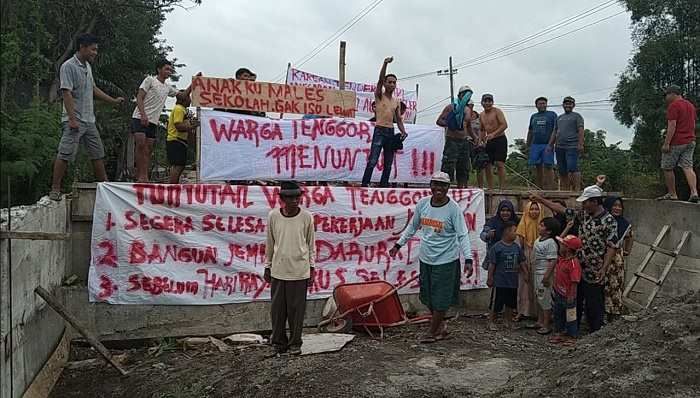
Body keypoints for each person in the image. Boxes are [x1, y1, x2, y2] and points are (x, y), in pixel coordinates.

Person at [389, 172, 473, 343]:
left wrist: (469, 259)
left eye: (443, 185)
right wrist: (399, 244)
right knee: (427, 296)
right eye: (435, 184)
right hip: (426, 259)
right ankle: (440, 327)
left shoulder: (454, 209)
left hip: (446, 260)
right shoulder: (423, 205)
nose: (439, 189)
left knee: (441, 298)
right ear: (430, 185)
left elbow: (463, 235)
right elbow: (412, 227)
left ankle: (432, 332)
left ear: (448, 188)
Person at [530, 183, 617, 333]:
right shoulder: (583, 215)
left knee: (593, 302)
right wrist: (541, 199)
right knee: (573, 301)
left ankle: (595, 331)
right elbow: (563, 210)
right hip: (576, 266)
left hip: (594, 269)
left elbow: (611, 246)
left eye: (586, 202)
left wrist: (604, 268)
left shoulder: (609, 221)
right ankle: (572, 330)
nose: (583, 205)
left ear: (595, 202)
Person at [50, 33, 125, 201]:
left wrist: (112, 101)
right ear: (82, 47)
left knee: (97, 153)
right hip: (74, 119)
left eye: (96, 50)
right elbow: (66, 93)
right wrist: (71, 118)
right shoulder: (68, 66)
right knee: (65, 153)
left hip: (89, 119)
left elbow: (93, 89)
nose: (95, 53)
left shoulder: (87, 67)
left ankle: (105, 187)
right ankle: (55, 188)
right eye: (93, 49)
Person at [264, 181, 316, 356]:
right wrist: (267, 266)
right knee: (278, 311)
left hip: (299, 271)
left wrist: (312, 268)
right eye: (290, 197)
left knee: (297, 311)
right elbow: (270, 244)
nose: (295, 200)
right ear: (282, 199)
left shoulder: (307, 217)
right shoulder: (273, 216)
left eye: (297, 197)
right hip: (278, 271)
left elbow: (311, 245)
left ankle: (295, 343)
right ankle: (278, 341)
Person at [361, 57, 408, 187]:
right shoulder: (379, 95)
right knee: (373, 160)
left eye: (394, 83)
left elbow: (398, 119)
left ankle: (384, 186)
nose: (392, 84)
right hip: (380, 130)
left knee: (388, 162)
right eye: (390, 82)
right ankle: (365, 184)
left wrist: (403, 131)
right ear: (385, 83)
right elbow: (380, 80)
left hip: (390, 131)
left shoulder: (396, 101)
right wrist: (385, 64)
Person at [658, 85, 698, 203]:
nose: (666, 97)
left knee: (667, 167)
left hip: (677, 141)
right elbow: (693, 123)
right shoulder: (690, 105)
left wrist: (666, 144)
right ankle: (694, 192)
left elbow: (672, 125)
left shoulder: (674, 106)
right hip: (690, 140)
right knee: (688, 166)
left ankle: (672, 194)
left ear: (673, 94)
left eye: (667, 95)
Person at [487, 221, 527, 330]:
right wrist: (490, 278)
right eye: (515, 231)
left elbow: (522, 261)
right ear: (507, 232)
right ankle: (492, 321)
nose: (516, 234)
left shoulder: (517, 247)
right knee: (497, 303)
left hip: (513, 281)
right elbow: (492, 264)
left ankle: (508, 321)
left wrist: (526, 273)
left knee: (510, 303)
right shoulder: (497, 247)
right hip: (500, 281)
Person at [436, 85, 475, 188]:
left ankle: (462, 189)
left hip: (464, 141)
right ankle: (445, 189)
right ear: (459, 95)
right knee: (448, 166)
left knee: (464, 167)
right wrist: (450, 123)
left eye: (468, 95)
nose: (466, 96)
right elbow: (439, 121)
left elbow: (469, 126)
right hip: (452, 140)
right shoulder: (451, 107)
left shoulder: (468, 110)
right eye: (464, 94)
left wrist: (476, 138)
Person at [602, 196, 633, 321]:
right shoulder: (603, 221)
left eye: (620, 206)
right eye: (614, 205)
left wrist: (626, 251)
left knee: (614, 286)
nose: (617, 208)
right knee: (602, 286)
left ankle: (613, 315)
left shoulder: (624, 223)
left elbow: (630, 236)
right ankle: (601, 315)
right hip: (601, 257)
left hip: (616, 260)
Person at [550, 235, 583, 347]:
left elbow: (574, 281)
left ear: (568, 248)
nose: (560, 246)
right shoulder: (562, 259)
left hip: (568, 295)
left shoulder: (573, 264)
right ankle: (559, 332)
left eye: (562, 245)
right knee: (558, 314)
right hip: (559, 293)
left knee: (571, 317)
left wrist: (571, 295)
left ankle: (572, 336)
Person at [515, 201, 544, 321]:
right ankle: (523, 311)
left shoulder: (543, 224)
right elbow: (519, 245)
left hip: (540, 255)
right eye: (531, 209)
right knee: (524, 284)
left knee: (539, 284)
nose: (534, 211)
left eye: (537, 209)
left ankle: (539, 313)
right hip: (526, 255)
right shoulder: (522, 224)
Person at [548, 96, 584, 191]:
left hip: (572, 146)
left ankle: (577, 189)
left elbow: (581, 130)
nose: (568, 105)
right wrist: (550, 145)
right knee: (562, 170)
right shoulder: (559, 118)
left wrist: (580, 144)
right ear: (563, 105)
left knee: (573, 168)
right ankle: (565, 189)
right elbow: (555, 131)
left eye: (570, 103)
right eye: (566, 103)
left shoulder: (577, 116)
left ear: (573, 105)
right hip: (559, 146)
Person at [533, 217, 561, 335]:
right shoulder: (538, 240)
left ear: (549, 231)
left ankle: (546, 324)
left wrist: (547, 276)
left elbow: (553, 261)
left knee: (545, 299)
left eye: (542, 225)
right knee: (539, 297)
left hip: (544, 274)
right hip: (537, 273)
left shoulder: (551, 243)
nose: (539, 226)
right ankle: (539, 321)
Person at [166, 91, 199, 184]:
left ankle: (173, 185)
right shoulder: (179, 109)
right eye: (189, 97)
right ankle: (172, 187)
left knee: (179, 165)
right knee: (177, 165)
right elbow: (179, 126)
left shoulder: (182, 110)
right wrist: (192, 126)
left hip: (179, 141)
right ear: (184, 99)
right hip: (175, 140)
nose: (190, 100)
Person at [527, 97, 558, 189]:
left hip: (547, 144)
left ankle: (551, 188)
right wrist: (528, 144)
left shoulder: (552, 115)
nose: (542, 105)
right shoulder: (534, 116)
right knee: (537, 166)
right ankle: (539, 188)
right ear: (536, 105)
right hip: (535, 144)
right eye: (540, 103)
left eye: (544, 103)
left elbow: (555, 130)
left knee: (548, 166)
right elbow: (530, 131)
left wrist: (551, 143)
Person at [479, 94, 508, 190]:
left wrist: (494, 134)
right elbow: (482, 129)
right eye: (485, 101)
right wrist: (481, 140)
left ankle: (502, 188)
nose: (487, 103)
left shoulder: (497, 111)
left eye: (489, 101)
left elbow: (504, 125)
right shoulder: (482, 115)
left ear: (492, 102)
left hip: (500, 139)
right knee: (487, 164)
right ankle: (490, 188)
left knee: (500, 164)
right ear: (482, 102)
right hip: (489, 141)